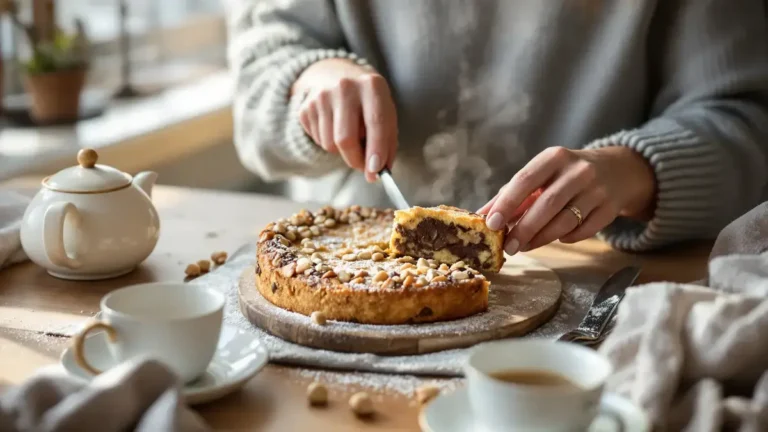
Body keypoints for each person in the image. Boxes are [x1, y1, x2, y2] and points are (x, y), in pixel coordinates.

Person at [224, 0, 768, 255]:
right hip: (341, 255)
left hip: (591, 264)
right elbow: (257, 77)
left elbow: (747, 121)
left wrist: (636, 169)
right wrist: (307, 78)